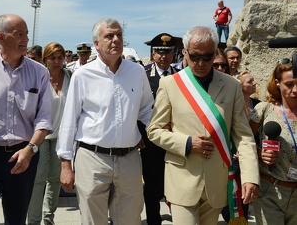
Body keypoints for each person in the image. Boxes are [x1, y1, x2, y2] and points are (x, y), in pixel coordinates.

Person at [147, 26, 260, 225]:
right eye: (194, 56)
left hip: (216, 180)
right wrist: (187, 143)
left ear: (216, 52)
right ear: (184, 52)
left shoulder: (231, 85)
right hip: (182, 179)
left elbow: (243, 136)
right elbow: (154, 131)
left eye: (207, 57)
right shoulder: (171, 84)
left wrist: (250, 176)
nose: (200, 63)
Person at [57, 18, 154, 224]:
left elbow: (147, 110)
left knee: (130, 219)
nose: (116, 40)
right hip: (92, 159)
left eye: (119, 35)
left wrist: (164, 129)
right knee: (93, 220)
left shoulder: (136, 72)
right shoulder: (82, 75)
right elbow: (69, 120)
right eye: (109, 36)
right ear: (97, 44)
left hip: (129, 159)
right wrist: (66, 164)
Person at [0, 14, 53, 225]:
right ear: (1, 37)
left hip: (24, 156)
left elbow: (44, 118)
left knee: (16, 219)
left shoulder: (40, 73)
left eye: (26, 34)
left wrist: (30, 150)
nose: (25, 39)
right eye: (19, 34)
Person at [249, 58, 297, 225]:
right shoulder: (263, 110)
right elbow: (243, 141)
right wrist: (259, 152)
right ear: (278, 83)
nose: (295, 90)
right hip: (270, 191)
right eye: (289, 84)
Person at [27, 42, 71, 225]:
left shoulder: (71, 77)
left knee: (54, 179)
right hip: (41, 136)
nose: (57, 61)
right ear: (45, 59)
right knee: (38, 180)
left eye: (60, 57)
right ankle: (34, 220)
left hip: (62, 136)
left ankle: (48, 217)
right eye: (52, 57)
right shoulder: (39, 77)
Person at [139, 33, 177, 225]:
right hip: (151, 142)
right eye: (159, 52)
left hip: (175, 140)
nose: (164, 56)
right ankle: (154, 220)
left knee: (175, 183)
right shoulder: (144, 77)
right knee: (152, 185)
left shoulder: (180, 77)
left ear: (174, 54)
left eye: (168, 52)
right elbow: (137, 110)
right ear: (153, 54)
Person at [220, 70, 260, 222]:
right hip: (231, 156)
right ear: (240, 85)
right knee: (230, 193)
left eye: (253, 80)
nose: (254, 84)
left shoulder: (258, 105)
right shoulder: (229, 104)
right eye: (249, 81)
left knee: (245, 195)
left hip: (249, 155)